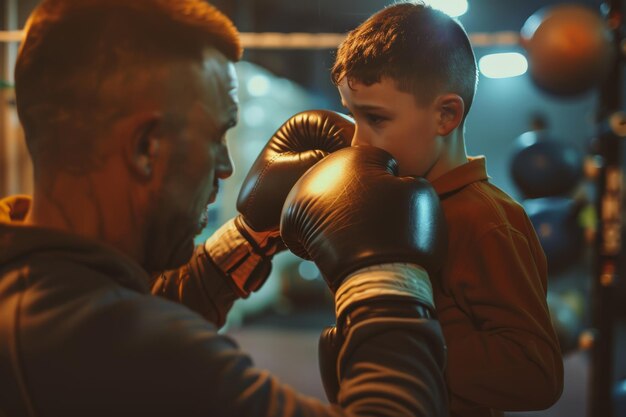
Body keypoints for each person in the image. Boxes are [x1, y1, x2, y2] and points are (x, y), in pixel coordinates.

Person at [0, 1, 449, 416]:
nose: (226, 165)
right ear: (146, 148)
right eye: (216, 136)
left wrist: (253, 234)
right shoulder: (142, 353)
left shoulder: (34, 285)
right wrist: (385, 274)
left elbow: (146, 301)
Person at [330, 2, 564, 416]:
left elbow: (537, 372)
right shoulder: (394, 201)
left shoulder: (486, 220)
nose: (357, 144)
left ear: (445, 115)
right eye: (354, 117)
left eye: (376, 120)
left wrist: (406, 335)